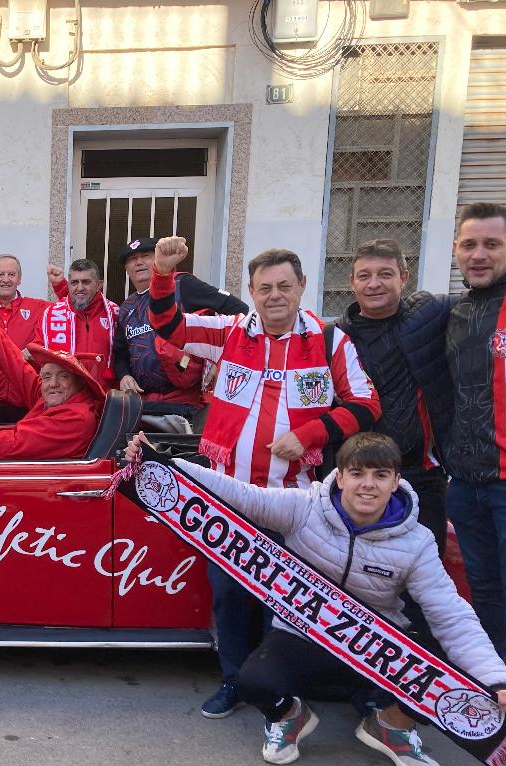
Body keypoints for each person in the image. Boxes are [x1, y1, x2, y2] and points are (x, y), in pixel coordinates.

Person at [123, 431, 506, 766]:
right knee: (253, 681)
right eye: (357, 473)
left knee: (443, 668)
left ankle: (389, 725)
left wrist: (497, 681)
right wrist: (163, 463)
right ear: (340, 477)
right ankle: (290, 717)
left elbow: (452, 614)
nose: (367, 484)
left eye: (380, 475)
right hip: (303, 635)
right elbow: (239, 494)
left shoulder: (417, 540)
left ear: (394, 481)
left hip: (376, 644)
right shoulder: (304, 507)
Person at [149, 237, 381, 719]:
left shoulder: (330, 340)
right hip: (229, 496)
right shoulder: (231, 331)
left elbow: (365, 404)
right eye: (264, 288)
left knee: (286, 599)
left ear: (301, 287)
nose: (275, 295)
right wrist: (163, 275)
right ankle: (234, 680)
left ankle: (281, 687)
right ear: (251, 292)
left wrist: (311, 433)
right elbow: (169, 325)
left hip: (295, 498)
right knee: (230, 596)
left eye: (284, 286)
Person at [443, 202, 506, 760]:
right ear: (456, 249)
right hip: (467, 480)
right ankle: (497, 691)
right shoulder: (457, 310)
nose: (479, 255)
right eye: (469, 245)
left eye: (491, 245)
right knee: (485, 594)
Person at [333, 239, 453, 558]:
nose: (374, 284)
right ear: (352, 282)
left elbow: (494, 300)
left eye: (385, 274)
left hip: (421, 478)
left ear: (405, 276)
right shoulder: (333, 338)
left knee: (424, 581)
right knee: (361, 581)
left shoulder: (432, 314)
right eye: (364, 275)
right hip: (360, 480)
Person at [111, 237, 248, 419]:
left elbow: (240, 311)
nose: (139, 262)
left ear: (158, 259)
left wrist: (221, 359)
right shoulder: (127, 307)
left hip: (186, 404)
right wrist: (124, 375)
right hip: (145, 404)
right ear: (127, 269)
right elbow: (120, 353)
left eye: (146, 255)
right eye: (131, 259)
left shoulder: (183, 285)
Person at [0, 289, 103, 461]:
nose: (53, 383)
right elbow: (13, 362)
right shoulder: (49, 397)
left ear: (79, 382)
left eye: (63, 376)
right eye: (47, 376)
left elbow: (9, 444)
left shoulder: (76, 418)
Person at [0, 254, 54, 423]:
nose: (6, 280)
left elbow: (71, 311)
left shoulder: (39, 308)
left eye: (11, 274)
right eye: (0, 275)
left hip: (28, 406)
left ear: (19, 278)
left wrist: (35, 349)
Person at [34, 258, 119, 390]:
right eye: (74, 282)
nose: (80, 288)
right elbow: (40, 357)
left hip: (105, 397)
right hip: (67, 399)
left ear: (99, 285)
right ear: (68, 285)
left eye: (86, 282)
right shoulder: (50, 314)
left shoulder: (115, 314)